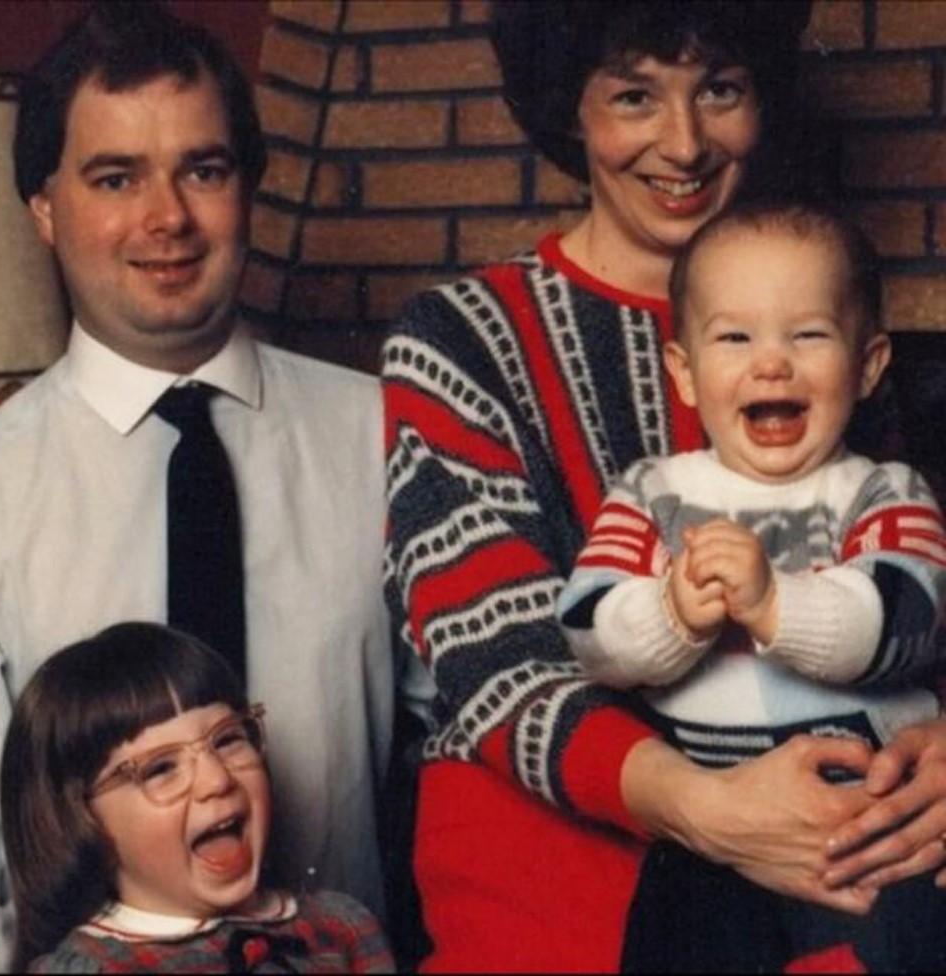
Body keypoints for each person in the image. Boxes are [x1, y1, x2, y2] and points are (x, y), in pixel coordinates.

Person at [382, 2, 946, 971]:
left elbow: (908, 580)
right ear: (570, 108)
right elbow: (497, 657)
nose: (683, 144)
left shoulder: (830, 320)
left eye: (718, 89)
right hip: (561, 853)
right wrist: (710, 812)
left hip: (845, 821)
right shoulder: (459, 336)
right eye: (635, 95)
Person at [0, 4, 428, 970]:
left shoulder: (390, 435)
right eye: (115, 177)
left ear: (247, 190)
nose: (167, 218)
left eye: (204, 170)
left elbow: (466, 757)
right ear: (43, 208)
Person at [557, 201, 946, 971]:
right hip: (713, 825)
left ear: (867, 367)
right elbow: (589, 625)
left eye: (808, 335)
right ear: (686, 373)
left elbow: (905, 613)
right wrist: (670, 615)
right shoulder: (652, 494)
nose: (772, 363)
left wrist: (775, 604)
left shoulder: (883, 492)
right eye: (734, 337)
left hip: (869, 817)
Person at [0, 622, 395, 974]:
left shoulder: (340, 928)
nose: (216, 779)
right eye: (160, 769)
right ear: (82, 820)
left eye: (227, 740)